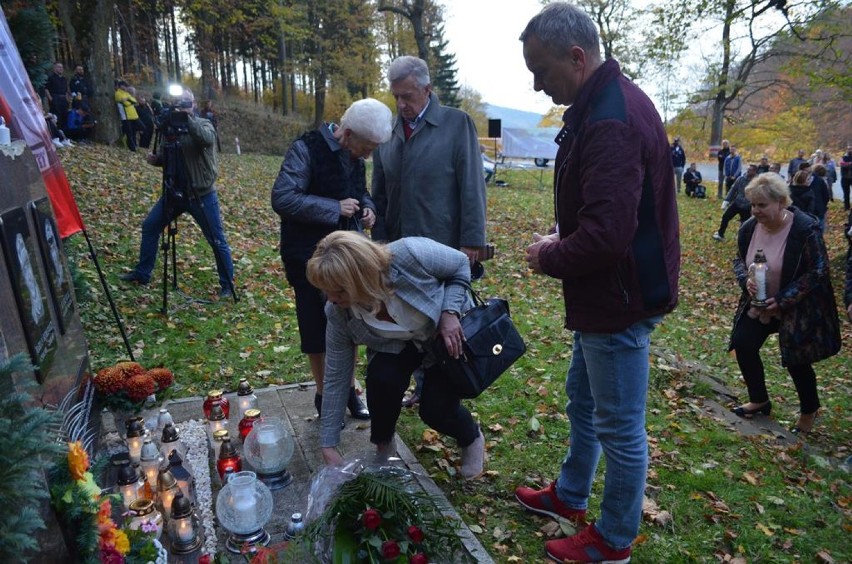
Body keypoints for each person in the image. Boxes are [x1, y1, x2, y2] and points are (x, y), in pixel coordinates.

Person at [515, 4, 680, 562]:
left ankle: (613, 540)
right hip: (610, 294)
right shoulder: (602, 103)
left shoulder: (611, 116)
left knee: (620, 427)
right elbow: (610, 210)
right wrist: (566, 231)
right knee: (583, 402)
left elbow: (609, 236)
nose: (537, 84)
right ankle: (570, 495)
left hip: (620, 299)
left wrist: (550, 254)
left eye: (541, 70)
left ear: (577, 57)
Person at [306, 231, 486, 479]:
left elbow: (460, 264)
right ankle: (384, 446)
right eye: (326, 291)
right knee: (381, 378)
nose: (332, 299)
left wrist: (450, 312)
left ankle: (471, 437)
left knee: (435, 410)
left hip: (443, 334)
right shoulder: (338, 312)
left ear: (362, 278)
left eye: (339, 291)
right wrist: (328, 444)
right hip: (398, 343)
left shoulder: (409, 254)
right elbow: (336, 376)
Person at [371, 55, 488, 408]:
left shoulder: (456, 124)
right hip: (398, 249)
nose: (402, 104)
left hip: (443, 246)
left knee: (442, 322)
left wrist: (472, 242)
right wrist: (378, 243)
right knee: (409, 320)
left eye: (408, 96)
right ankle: (420, 387)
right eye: (396, 97)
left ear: (427, 89)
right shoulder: (388, 132)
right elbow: (379, 192)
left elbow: (472, 186)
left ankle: (443, 396)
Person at [271, 98, 393, 423]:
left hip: (347, 259)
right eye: (366, 148)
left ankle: (349, 391)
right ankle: (325, 396)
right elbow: (283, 197)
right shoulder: (306, 148)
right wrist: (333, 208)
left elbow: (360, 191)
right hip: (309, 258)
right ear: (348, 133)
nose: (368, 156)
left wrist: (368, 209)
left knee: (349, 324)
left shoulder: (355, 156)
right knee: (316, 327)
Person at [728, 173, 840, 435]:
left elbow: (819, 270)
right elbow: (738, 261)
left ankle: (808, 410)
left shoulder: (804, 229)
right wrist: (745, 280)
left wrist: (782, 299)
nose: (755, 210)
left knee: (796, 360)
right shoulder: (748, 228)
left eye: (762, 205)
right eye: (753, 205)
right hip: (759, 303)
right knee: (743, 343)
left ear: (781, 202)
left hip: (796, 306)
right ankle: (759, 399)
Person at [119, 88, 235, 298]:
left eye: (186, 102)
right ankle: (142, 273)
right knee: (150, 226)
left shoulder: (202, 123)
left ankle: (228, 285)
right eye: (178, 103)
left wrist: (187, 117)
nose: (181, 106)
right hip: (175, 193)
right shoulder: (169, 127)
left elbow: (206, 139)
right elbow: (168, 156)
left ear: (193, 105)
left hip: (202, 194)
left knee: (217, 240)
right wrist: (157, 161)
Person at [714, 164, 756, 241]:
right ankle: (720, 234)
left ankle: (741, 238)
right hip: (737, 203)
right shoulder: (740, 179)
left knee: (745, 224)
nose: (748, 170)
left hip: (747, 206)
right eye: (748, 169)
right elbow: (733, 190)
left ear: (754, 172)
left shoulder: (756, 182)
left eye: (751, 170)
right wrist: (726, 200)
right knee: (726, 217)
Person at [115, 80, 141, 151]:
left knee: (137, 129)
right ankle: (132, 147)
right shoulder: (118, 93)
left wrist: (128, 99)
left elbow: (134, 100)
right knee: (129, 132)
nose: (126, 87)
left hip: (133, 115)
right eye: (124, 86)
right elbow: (124, 103)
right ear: (121, 86)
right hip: (125, 116)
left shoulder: (126, 94)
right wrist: (129, 101)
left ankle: (132, 144)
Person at [44, 63, 70, 131]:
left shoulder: (64, 79)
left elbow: (66, 90)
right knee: (56, 117)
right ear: (54, 68)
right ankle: (57, 134)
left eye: (62, 67)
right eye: (59, 67)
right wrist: (50, 98)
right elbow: (46, 89)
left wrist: (67, 99)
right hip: (55, 98)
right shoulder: (50, 78)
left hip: (63, 99)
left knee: (64, 116)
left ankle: (64, 135)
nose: (61, 69)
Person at [810, 164, 831, 232]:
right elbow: (826, 196)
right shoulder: (822, 181)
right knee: (820, 227)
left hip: (809, 209)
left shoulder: (809, 179)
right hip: (819, 208)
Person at [839, 144, 852, 211]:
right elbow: (842, 164)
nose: (850, 150)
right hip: (845, 178)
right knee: (846, 193)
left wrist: (847, 164)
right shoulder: (843, 157)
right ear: (847, 149)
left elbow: (844, 165)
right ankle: (847, 207)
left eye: (851, 149)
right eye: (849, 149)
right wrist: (849, 164)